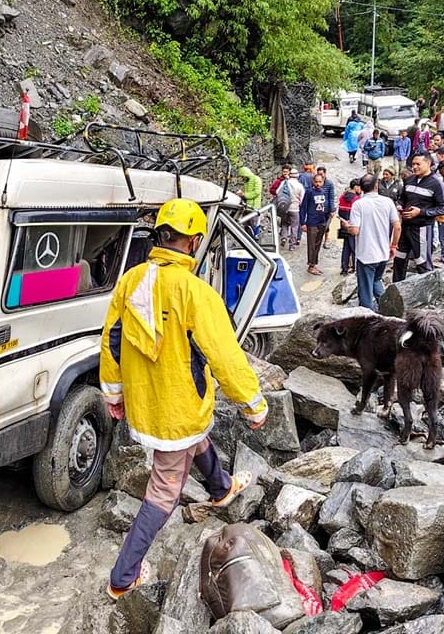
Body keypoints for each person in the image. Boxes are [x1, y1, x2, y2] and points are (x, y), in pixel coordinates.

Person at [101, 199, 267, 600]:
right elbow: (225, 355)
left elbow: (111, 341)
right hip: (179, 407)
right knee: (163, 490)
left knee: (197, 436)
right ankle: (123, 577)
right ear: (193, 242)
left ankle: (221, 488)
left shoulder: (130, 281)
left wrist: (114, 392)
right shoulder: (195, 291)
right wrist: (253, 403)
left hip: (148, 402)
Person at [345, 174, 400, 310]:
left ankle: (366, 316)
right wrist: (393, 245)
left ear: (361, 188)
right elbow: (397, 226)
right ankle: (388, 310)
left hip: (366, 255)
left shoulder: (358, 204)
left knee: (365, 290)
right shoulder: (388, 202)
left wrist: (347, 226)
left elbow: (355, 231)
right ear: (376, 186)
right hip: (383, 253)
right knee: (376, 280)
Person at [393, 155, 444, 281]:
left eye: (418, 164)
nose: (414, 167)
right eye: (413, 164)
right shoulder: (409, 180)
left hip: (422, 228)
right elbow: (402, 198)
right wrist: (400, 206)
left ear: (428, 164)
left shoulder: (436, 183)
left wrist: (421, 212)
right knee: (399, 259)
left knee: (422, 262)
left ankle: (429, 288)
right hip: (405, 226)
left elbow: (443, 208)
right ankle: (396, 288)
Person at [300, 171, 333, 275]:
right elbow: (303, 208)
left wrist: (329, 214)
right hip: (312, 222)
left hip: (321, 221)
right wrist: (303, 223)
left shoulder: (323, 192)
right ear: (313, 182)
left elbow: (324, 206)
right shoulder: (309, 192)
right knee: (312, 244)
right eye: (316, 182)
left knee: (318, 244)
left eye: (320, 182)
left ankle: (314, 264)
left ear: (323, 182)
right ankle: (310, 265)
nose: (318, 184)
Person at [276, 170, 305, 250]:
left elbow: (277, 192)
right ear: (297, 176)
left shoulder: (284, 183)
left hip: (284, 207)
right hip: (295, 208)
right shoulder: (299, 185)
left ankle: (284, 237)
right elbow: (302, 198)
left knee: (284, 223)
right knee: (294, 226)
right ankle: (292, 245)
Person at [338, 179, 361, 275]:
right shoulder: (357, 199)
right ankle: (355, 268)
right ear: (355, 187)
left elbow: (339, 211)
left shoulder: (342, 196)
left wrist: (344, 222)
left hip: (343, 225)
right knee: (354, 247)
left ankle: (344, 268)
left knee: (346, 247)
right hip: (353, 226)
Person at [237, 166, 264, 238]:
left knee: (254, 223)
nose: (242, 178)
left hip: (254, 206)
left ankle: (256, 237)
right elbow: (243, 190)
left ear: (246, 174)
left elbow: (257, 192)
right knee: (246, 224)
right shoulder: (246, 182)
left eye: (242, 176)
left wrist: (244, 195)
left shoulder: (257, 179)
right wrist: (240, 193)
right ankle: (248, 238)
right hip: (246, 207)